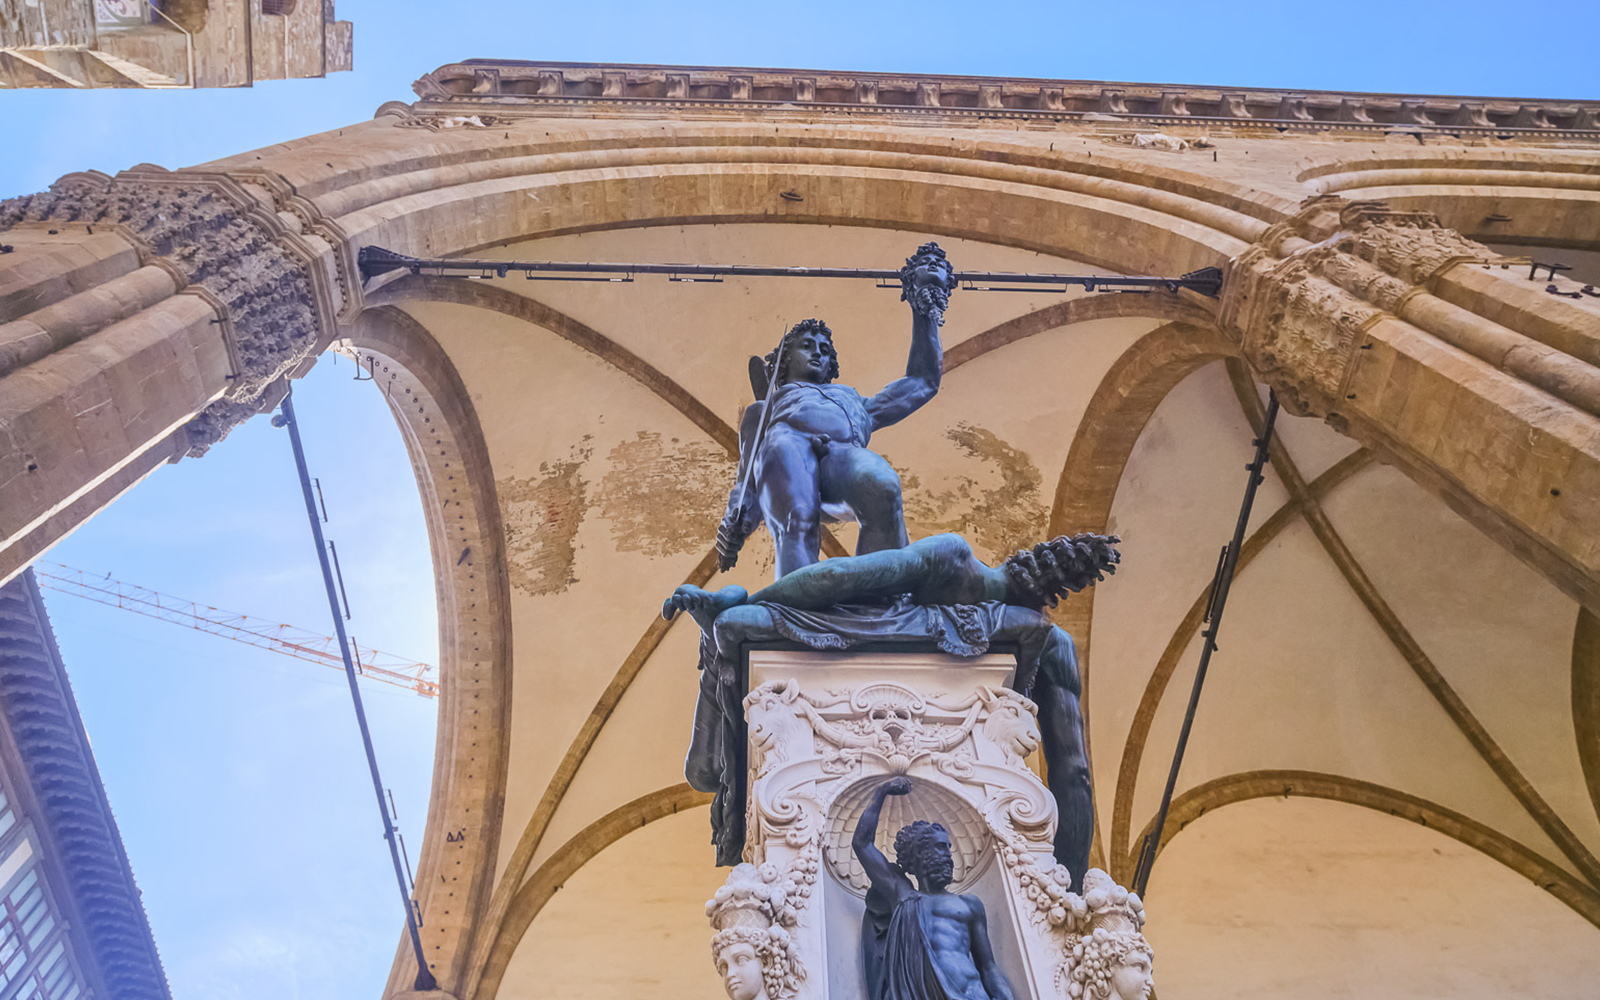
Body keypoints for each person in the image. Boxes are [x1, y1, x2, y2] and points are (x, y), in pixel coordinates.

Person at [666, 531, 1117, 888]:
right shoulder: (961, 567)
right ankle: (730, 618)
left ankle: (728, 620)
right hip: (855, 621)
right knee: (705, 760)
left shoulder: (959, 566)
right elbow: (1074, 773)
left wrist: (754, 606)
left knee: (706, 760)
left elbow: (837, 575)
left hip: (843, 627)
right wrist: (1071, 894)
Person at [716, 243, 956, 579]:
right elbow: (747, 474)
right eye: (807, 346)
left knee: (882, 487)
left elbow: (922, 381)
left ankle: (879, 605)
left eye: (825, 350)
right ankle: (796, 610)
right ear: (785, 359)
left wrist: (924, 305)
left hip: (840, 453)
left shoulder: (854, 401)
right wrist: (737, 518)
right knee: (797, 518)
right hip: (786, 442)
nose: (818, 353)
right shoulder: (766, 405)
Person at [852, 777, 1017, 1000]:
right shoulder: (902, 894)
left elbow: (988, 966)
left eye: (949, 848)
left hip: (972, 995)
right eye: (941, 848)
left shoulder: (969, 904)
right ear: (919, 853)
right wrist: (880, 792)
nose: (948, 855)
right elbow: (862, 844)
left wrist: (1005, 997)